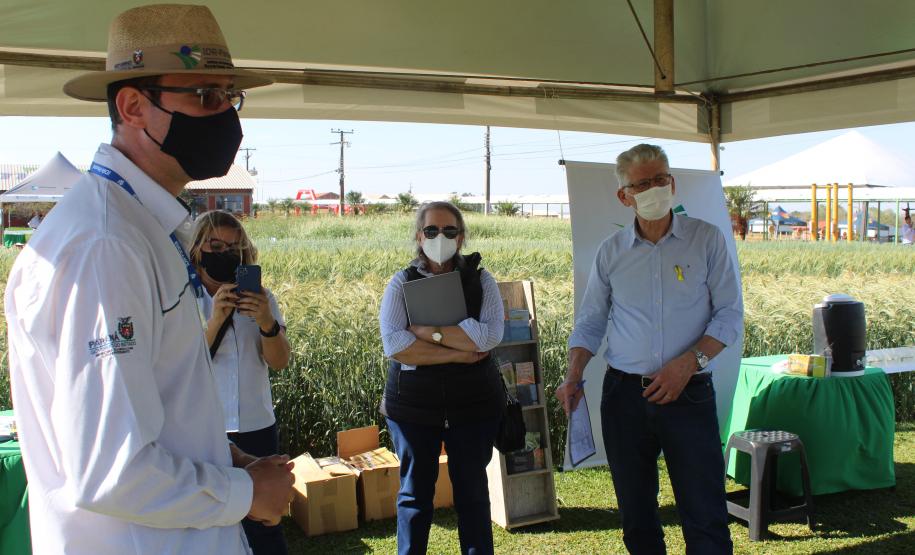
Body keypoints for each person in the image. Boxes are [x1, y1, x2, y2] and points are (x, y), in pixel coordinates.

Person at [4, 5, 294, 554]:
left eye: (229, 97)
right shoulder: (106, 246)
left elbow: (158, 404)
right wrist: (245, 492)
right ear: (134, 106)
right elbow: (110, 469)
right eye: (204, 96)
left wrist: (232, 459)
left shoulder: (138, 227)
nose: (224, 116)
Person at [556, 144, 742, 554]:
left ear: (672, 183)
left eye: (661, 179)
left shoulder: (706, 240)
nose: (655, 189)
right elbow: (590, 320)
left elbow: (729, 315)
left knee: (706, 514)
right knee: (637, 516)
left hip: (689, 392)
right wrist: (573, 375)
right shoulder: (611, 252)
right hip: (625, 397)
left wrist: (688, 364)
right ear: (624, 196)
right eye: (643, 184)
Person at [379, 201, 505, 555]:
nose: (440, 237)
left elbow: (489, 337)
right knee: (414, 495)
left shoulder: (481, 280)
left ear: (461, 237)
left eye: (449, 230)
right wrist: (458, 351)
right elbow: (396, 345)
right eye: (431, 230)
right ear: (419, 236)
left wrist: (426, 331)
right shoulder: (401, 282)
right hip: (414, 409)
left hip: (474, 406)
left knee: (473, 495)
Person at [190, 210, 291, 555]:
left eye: (233, 247)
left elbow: (279, 362)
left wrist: (266, 322)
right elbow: (184, 369)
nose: (223, 253)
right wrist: (215, 319)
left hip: (256, 424)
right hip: (205, 428)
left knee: (264, 524)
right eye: (214, 245)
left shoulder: (262, 298)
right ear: (197, 249)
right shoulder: (183, 300)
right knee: (211, 523)